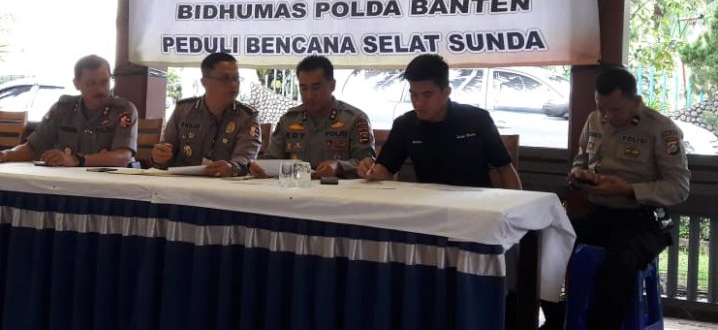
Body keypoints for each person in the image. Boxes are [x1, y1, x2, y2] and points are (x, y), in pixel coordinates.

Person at [550, 67, 689, 330]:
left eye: (615, 110)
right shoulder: (594, 120)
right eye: (601, 107)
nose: (606, 116)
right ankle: (559, 320)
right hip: (600, 214)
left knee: (617, 265)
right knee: (545, 242)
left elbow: (679, 187)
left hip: (643, 221)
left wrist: (628, 189)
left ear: (635, 102)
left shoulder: (661, 130)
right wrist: (578, 175)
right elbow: (581, 158)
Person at [357, 54, 521, 189]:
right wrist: (371, 171)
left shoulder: (477, 119)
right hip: (429, 208)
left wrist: (517, 215)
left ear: (446, 92)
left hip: (476, 207)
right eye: (414, 94)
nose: (418, 103)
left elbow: (505, 169)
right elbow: (386, 169)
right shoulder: (405, 125)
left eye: (427, 95)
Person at [0, 54, 137, 167]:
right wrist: (6, 155)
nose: (101, 89)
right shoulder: (63, 108)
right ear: (77, 84)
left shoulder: (123, 110)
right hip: (64, 184)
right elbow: (33, 147)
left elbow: (122, 157)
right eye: (92, 83)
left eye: (105, 82)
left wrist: (76, 160)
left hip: (109, 187)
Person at [251, 55, 375, 179]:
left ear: (332, 85)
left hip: (339, 192)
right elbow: (272, 159)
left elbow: (367, 163)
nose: (309, 95)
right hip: (294, 192)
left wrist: (339, 166)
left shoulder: (354, 119)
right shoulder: (289, 120)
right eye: (303, 88)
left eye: (316, 87)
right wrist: (260, 168)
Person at [151, 52, 260, 177]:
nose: (233, 85)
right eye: (225, 79)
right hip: (183, 184)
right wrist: (159, 157)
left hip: (226, 187)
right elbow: (167, 152)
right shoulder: (183, 110)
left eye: (236, 79)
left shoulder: (247, 116)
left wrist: (232, 168)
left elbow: (246, 158)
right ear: (204, 82)